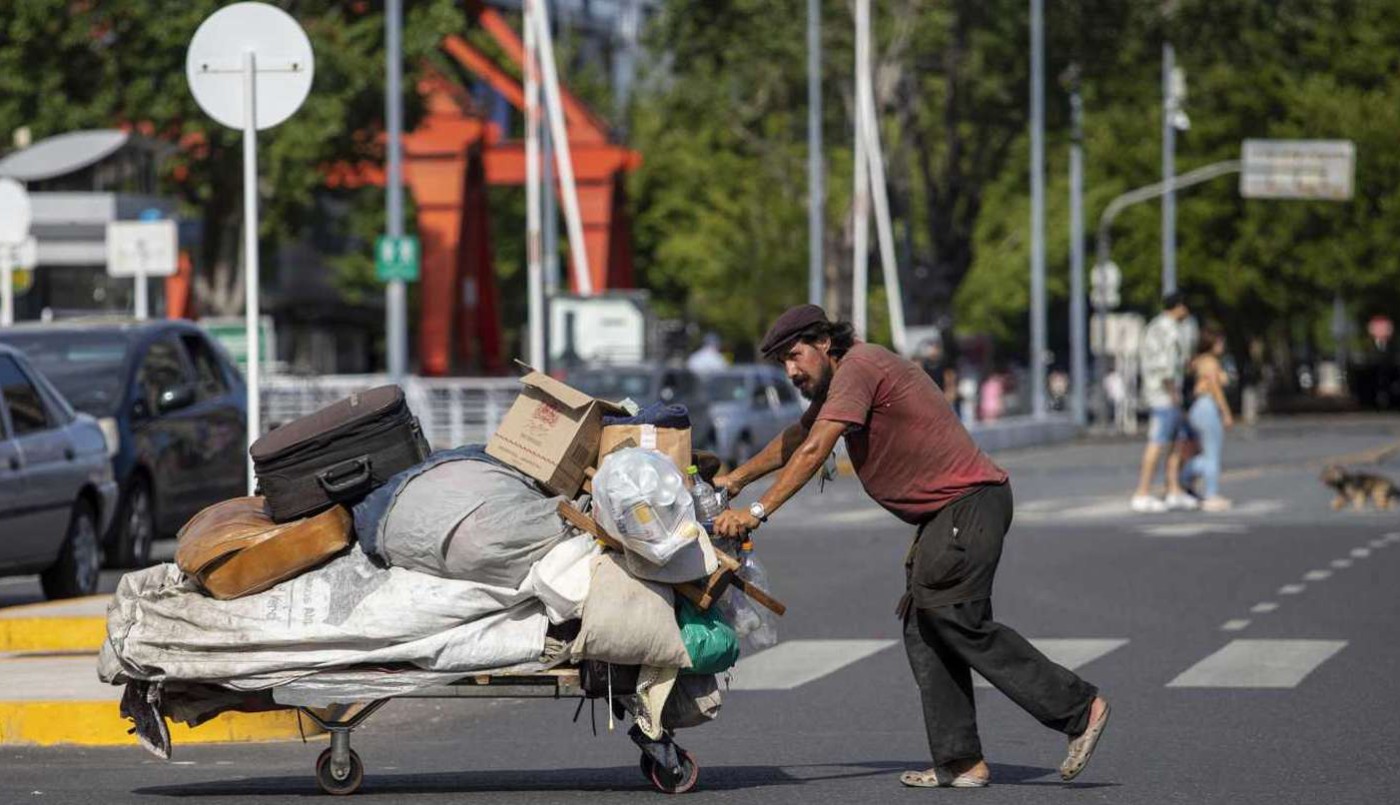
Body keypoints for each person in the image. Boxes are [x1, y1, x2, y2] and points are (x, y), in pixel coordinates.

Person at [711, 304, 1110, 789]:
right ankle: (961, 762)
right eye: (782, 364)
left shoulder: (858, 368)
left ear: (823, 343)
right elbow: (799, 437)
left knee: (957, 619)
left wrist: (755, 511)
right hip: (948, 516)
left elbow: (817, 450)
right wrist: (734, 480)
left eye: (795, 356)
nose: (791, 371)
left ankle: (1078, 707)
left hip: (968, 505)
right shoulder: (846, 377)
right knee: (924, 626)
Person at [1131, 292, 1197, 512]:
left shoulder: (1156, 326)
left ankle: (1174, 489)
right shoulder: (1168, 330)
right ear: (1179, 307)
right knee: (1158, 442)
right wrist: (1173, 392)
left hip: (1163, 393)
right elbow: (1166, 366)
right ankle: (1142, 492)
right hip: (1163, 395)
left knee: (1177, 441)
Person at [1180, 328, 1234, 511]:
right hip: (1207, 406)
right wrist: (1225, 412)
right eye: (1219, 342)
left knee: (1205, 452)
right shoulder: (1210, 362)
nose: (1222, 346)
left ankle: (1184, 476)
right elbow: (1214, 387)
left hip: (1197, 408)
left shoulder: (1197, 361)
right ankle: (1209, 493)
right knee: (1212, 453)